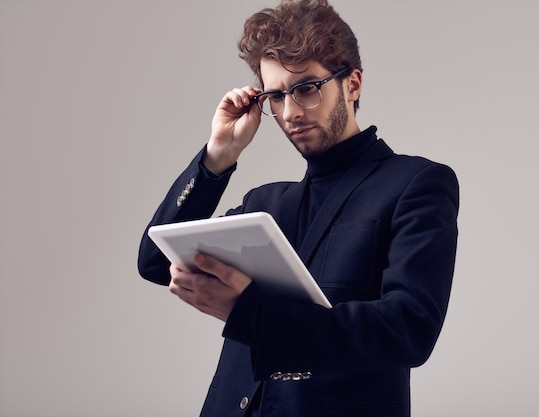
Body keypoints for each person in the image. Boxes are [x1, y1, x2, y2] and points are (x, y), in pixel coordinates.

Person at [137, 0, 459, 415]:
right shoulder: (265, 204)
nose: (289, 112)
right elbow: (154, 261)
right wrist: (218, 156)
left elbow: (408, 330)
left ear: (353, 84)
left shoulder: (415, 183)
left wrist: (249, 313)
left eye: (305, 88)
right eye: (275, 96)